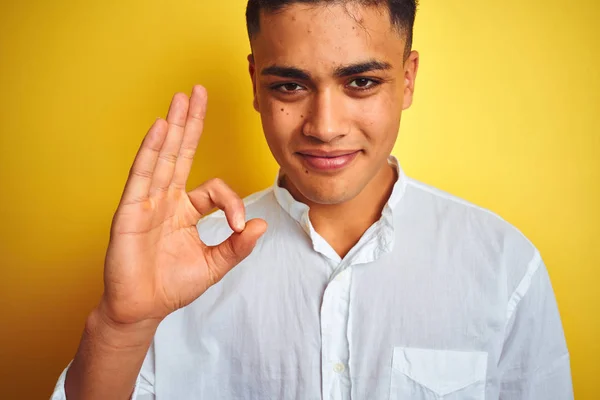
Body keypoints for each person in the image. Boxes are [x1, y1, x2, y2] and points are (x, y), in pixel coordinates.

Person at [51, 0, 573, 399]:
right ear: (256, 84)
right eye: (289, 87)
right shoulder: (177, 268)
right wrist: (122, 326)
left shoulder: (504, 265)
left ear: (408, 79)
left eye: (362, 82)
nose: (325, 127)